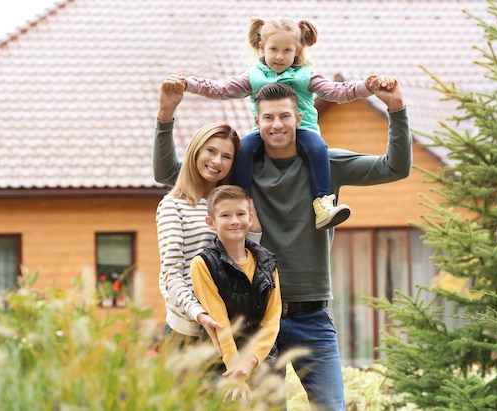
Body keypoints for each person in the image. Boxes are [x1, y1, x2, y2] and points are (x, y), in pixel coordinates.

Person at [153, 75, 411, 410]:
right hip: (256, 316)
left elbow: (395, 167)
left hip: (312, 315)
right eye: (269, 117)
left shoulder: (327, 164)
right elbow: (169, 173)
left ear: (299, 119)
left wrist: (396, 109)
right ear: (256, 121)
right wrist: (165, 117)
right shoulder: (241, 170)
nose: (277, 125)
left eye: (285, 116)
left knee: (332, 406)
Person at [177, 16, 381, 230]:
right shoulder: (253, 76)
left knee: (318, 148)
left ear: (297, 50)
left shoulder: (305, 75)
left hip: (302, 130)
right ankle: (241, 202)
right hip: (264, 133)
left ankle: (322, 203)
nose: (280, 57)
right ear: (261, 47)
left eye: (287, 51)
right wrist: (189, 83)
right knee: (244, 149)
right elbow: (220, 89)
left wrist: (366, 87)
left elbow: (337, 91)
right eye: (274, 49)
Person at [155, 75, 242, 353]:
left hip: (228, 328)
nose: (217, 161)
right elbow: (172, 273)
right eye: (211, 151)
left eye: (226, 157)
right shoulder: (173, 205)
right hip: (188, 334)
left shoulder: (229, 207)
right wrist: (199, 315)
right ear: (196, 151)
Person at [190, 184, 281, 401]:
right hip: (223, 369)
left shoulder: (267, 263)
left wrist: (250, 362)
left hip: (264, 365)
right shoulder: (202, 264)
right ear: (211, 223)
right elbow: (218, 321)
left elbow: (272, 320)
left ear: (250, 219)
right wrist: (236, 371)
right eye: (225, 215)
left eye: (241, 214)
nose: (234, 221)